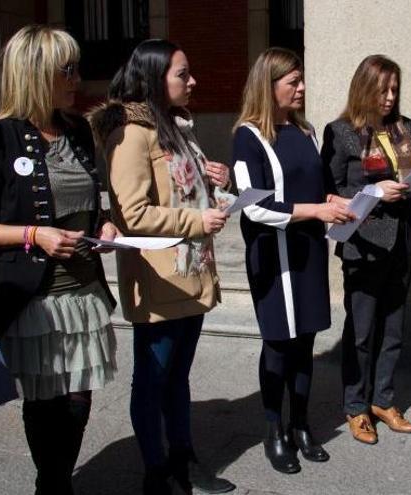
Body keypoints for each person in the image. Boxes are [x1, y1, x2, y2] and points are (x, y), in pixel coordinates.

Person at [0, 26, 117, 494]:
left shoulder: (78, 131)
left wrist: (103, 225)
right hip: (35, 298)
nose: (76, 78)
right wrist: (34, 234)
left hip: (83, 289)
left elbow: (89, 201)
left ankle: (57, 479)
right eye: (66, 69)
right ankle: (52, 484)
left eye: (75, 68)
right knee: (47, 401)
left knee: (79, 396)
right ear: (35, 73)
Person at [89, 39, 235, 494]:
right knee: (152, 380)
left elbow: (181, 190)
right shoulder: (131, 132)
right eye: (182, 74)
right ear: (154, 78)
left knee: (178, 376)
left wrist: (216, 181)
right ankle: (156, 471)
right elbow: (132, 213)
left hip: (189, 270)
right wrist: (197, 218)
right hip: (158, 276)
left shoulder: (173, 125)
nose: (192, 82)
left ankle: (182, 458)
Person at [232, 47, 353, 474]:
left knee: (305, 343)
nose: (302, 88)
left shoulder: (305, 131)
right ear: (270, 86)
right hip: (274, 257)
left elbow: (316, 188)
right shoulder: (249, 136)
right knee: (279, 345)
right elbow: (254, 207)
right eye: (293, 82)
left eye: (301, 81)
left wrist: (332, 201)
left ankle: (301, 425)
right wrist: (316, 211)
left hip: (308, 253)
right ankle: (274, 429)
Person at [321, 54, 411, 445]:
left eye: (395, 89)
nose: (390, 97)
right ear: (365, 88)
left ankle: (383, 400)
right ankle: (355, 407)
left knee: (393, 327)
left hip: (402, 239)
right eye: (382, 89)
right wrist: (373, 192)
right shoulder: (341, 132)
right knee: (361, 330)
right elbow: (331, 190)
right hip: (364, 242)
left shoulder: (403, 128)